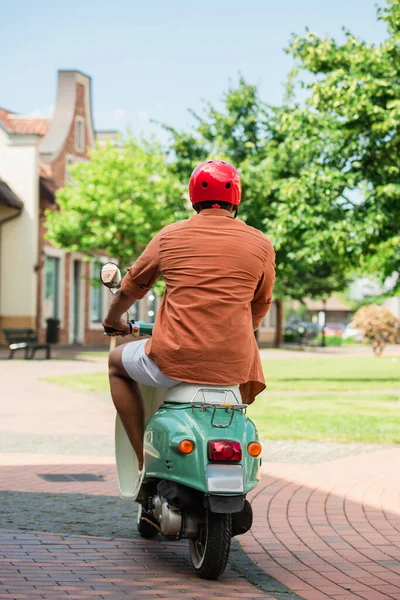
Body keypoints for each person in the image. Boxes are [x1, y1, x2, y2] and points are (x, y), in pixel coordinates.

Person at [103, 160, 276, 498]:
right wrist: (241, 331)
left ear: (193, 198)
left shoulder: (170, 235)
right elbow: (261, 304)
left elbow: (131, 287)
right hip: (233, 365)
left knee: (116, 366)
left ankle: (142, 460)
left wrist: (113, 320)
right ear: (236, 199)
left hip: (173, 360)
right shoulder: (261, 244)